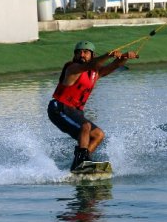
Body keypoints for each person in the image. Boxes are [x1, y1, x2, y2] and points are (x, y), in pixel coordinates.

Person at [48, 40, 138, 171]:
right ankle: (81, 162)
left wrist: (124, 57)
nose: (82, 55)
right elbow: (92, 64)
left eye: (85, 52)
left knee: (98, 135)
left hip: (75, 112)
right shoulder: (73, 68)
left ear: (92, 55)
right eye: (79, 53)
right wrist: (108, 55)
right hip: (59, 109)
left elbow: (113, 66)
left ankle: (79, 164)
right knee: (86, 126)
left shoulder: (95, 73)